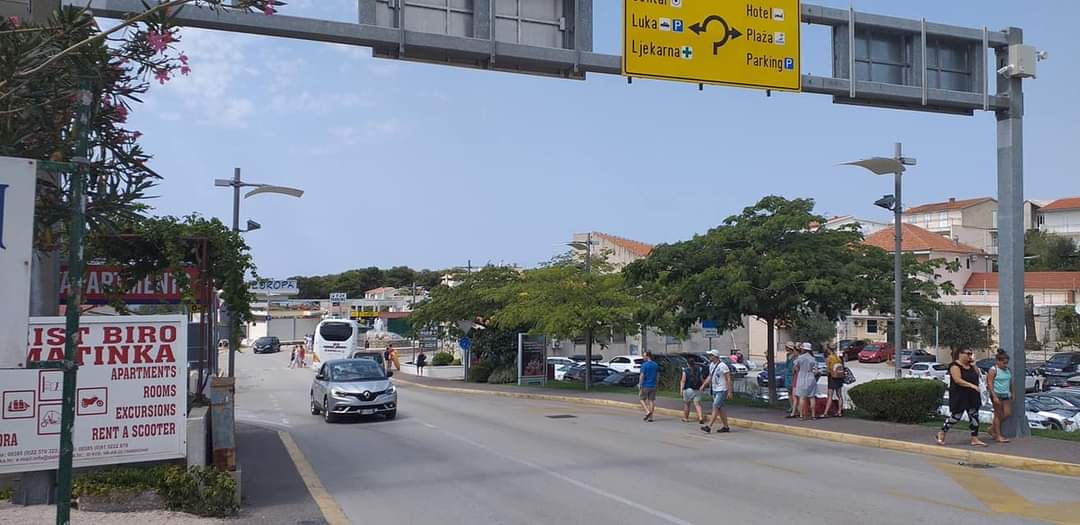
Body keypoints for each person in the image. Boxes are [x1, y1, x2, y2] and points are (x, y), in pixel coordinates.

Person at [937, 349, 987, 447]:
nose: (970, 356)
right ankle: (942, 431)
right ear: (960, 354)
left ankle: (974, 438)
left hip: (972, 395)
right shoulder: (954, 366)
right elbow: (957, 380)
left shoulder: (971, 365)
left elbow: (978, 375)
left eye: (971, 354)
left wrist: (974, 365)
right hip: (960, 395)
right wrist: (971, 385)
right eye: (968, 354)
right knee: (956, 417)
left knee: (974, 416)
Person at [700, 349, 733, 434]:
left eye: (711, 355)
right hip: (715, 389)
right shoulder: (711, 365)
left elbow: (728, 379)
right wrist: (704, 385)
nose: (709, 357)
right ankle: (726, 427)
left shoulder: (723, 366)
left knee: (715, 406)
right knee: (720, 408)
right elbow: (710, 376)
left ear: (715, 356)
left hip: (722, 389)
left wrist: (729, 391)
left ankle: (709, 426)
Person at [986, 349, 1014, 444]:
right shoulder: (993, 370)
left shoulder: (1007, 370)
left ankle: (992, 428)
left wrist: (1012, 392)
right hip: (997, 394)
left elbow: (1010, 382)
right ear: (998, 361)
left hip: (1006, 394)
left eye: (1006, 363)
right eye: (1003, 363)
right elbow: (990, 383)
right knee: (998, 415)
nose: (1005, 365)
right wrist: (994, 396)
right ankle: (998, 435)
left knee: (1007, 413)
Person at [793, 342, 819, 420]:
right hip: (811, 378)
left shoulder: (800, 358)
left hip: (802, 378)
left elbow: (795, 368)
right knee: (812, 397)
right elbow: (816, 371)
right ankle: (813, 415)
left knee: (802, 397)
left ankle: (802, 415)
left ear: (804, 349)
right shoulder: (813, 358)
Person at [680, 357, 705, 424]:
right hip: (698, 389)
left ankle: (686, 418)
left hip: (688, 389)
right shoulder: (699, 370)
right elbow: (701, 379)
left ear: (687, 363)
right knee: (698, 404)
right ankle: (700, 418)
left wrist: (681, 390)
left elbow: (683, 381)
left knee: (687, 404)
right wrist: (703, 386)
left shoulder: (685, 370)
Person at [824, 343, 844, 417]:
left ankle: (825, 412)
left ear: (828, 350)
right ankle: (839, 411)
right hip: (839, 377)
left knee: (830, 395)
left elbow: (828, 370)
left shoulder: (829, 358)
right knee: (839, 395)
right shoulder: (838, 358)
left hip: (832, 377)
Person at [638, 352, 659, 422]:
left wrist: (640, 384)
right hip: (653, 385)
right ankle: (651, 417)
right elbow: (658, 375)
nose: (643, 357)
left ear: (648, 356)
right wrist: (656, 383)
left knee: (641, 399)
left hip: (645, 385)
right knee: (651, 400)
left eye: (644, 356)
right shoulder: (655, 365)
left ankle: (647, 412)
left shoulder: (644, 365)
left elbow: (642, 375)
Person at [783, 342, 798, 418]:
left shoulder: (795, 356)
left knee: (794, 392)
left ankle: (795, 408)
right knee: (789, 392)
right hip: (788, 374)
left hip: (792, 374)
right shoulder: (788, 355)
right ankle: (792, 406)